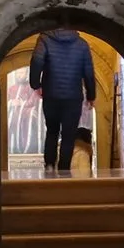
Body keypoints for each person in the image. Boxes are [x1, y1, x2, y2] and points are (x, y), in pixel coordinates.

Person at [28, 26, 96, 176]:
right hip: (73, 96)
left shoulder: (45, 39)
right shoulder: (82, 44)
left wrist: (36, 84)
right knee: (68, 135)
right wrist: (91, 95)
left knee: (52, 130)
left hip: (51, 93)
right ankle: (64, 170)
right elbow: (89, 72)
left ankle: (49, 166)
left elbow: (37, 61)